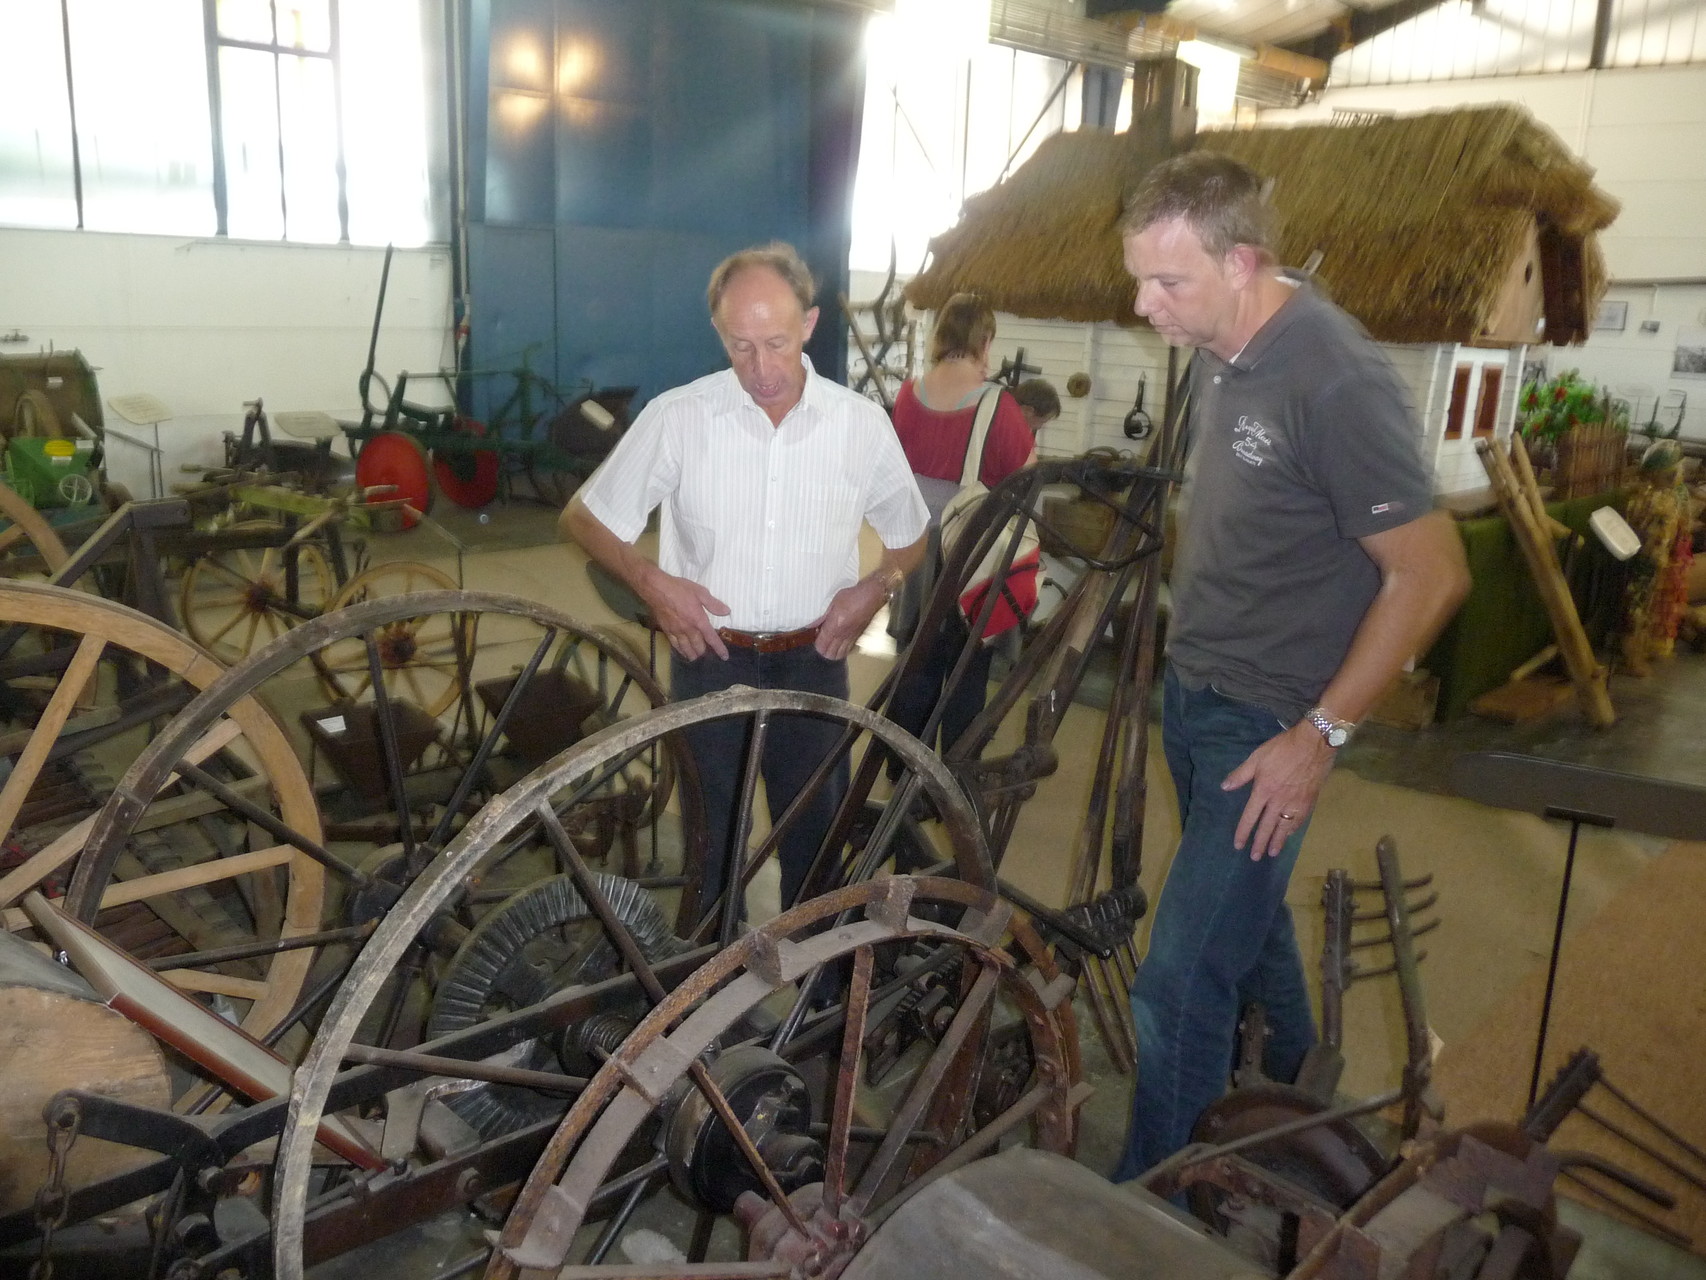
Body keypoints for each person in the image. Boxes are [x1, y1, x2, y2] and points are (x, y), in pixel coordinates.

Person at [1113, 153, 1470, 1178]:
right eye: (1139, 278)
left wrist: (1317, 736)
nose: (1144, 305)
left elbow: (1430, 575)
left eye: (1167, 282)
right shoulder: (1222, 352)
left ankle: (1150, 1207)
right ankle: (1299, 1102)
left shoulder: (1334, 374)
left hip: (1264, 723)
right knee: (1249, 924)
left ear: (1244, 260)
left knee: (1175, 982)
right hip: (1194, 694)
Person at [561, 242, 928, 915]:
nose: (760, 369)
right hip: (709, 658)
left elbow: (910, 535)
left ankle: (819, 999)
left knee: (815, 844)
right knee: (712, 844)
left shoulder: (860, 426)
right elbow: (584, 517)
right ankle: (700, 996)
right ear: (719, 333)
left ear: (811, 325)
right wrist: (651, 581)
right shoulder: (680, 418)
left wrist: (875, 588)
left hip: (817, 659)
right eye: (740, 346)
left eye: (777, 343)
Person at [886, 293, 1036, 758]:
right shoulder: (998, 405)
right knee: (967, 664)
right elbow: (1028, 476)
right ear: (984, 340)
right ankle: (951, 774)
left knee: (916, 656)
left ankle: (899, 765)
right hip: (970, 550)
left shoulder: (909, 395)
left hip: (915, 548)